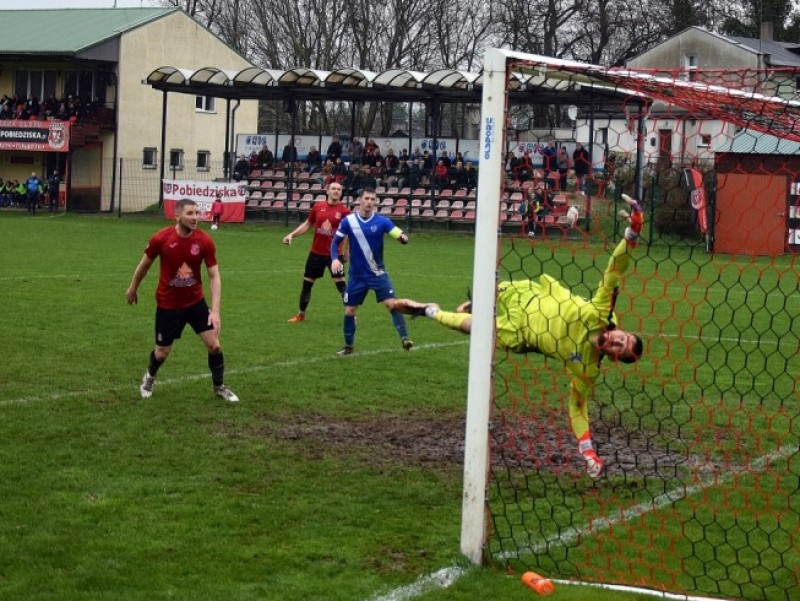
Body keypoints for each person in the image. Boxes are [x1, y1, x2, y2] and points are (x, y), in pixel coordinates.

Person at [394, 194, 645, 478]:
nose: (616, 343)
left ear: (613, 358)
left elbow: (577, 404)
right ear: (620, 331)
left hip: (521, 334)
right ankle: (478, 302)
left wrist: (586, 449)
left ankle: (430, 311)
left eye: (619, 350)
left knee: (474, 329)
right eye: (622, 339)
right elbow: (613, 271)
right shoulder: (600, 312)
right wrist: (632, 235)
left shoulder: (586, 368)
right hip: (528, 296)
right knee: (484, 286)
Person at [124, 198, 239, 403]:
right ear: (177, 216)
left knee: (215, 346)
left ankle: (219, 387)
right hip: (168, 304)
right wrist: (133, 288)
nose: (195, 217)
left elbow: (214, 276)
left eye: (197, 213)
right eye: (190, 213)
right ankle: (149, 378)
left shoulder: (204, 241)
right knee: (162, 353)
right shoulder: (161, 239)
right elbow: (144, 265)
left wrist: (215, 312)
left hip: (195, 303)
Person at [330, 187, 413, 355]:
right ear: (360, 200)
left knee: (392, 305)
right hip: (357, 276)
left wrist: (403, 238)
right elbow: (335, 242)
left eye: (372, 199)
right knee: (350, 311)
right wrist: (334, 259)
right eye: (366, 198)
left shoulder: (382, 221)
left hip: (377, 273)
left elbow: (398, 233)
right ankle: (348, 347)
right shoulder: (348, 221)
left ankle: (405, 339)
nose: (369, 202)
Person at [283, 181, 351, 322]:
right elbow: (308, 224)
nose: (336, 191)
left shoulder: (344, 211)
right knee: (307, 284)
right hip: (316, 253)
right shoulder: (318, 206)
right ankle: (301, 315)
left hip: (334, 255)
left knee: (342, 286)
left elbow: (349, 233)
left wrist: (347, 251)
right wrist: (292, 235)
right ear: (327, 191)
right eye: (333, 188)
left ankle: (351, 315)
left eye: (339, 189)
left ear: (341, 193)